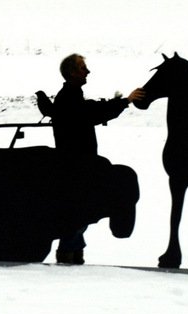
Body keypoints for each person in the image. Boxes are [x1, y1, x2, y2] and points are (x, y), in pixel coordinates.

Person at [53, 53, 144, 264]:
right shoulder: (69, 98)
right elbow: (92, 113)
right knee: (78, 209)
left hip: (78, 163)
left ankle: (73, 251)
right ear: (72, 72)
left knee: (80, 209)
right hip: (76, 165)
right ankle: (69, 253)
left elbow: (92, 111)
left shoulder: (71, 96)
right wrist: (125, 101)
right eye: (83, 67)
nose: (87, 71)